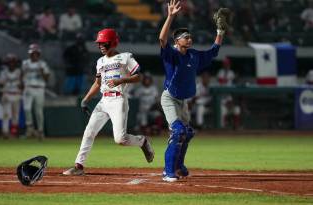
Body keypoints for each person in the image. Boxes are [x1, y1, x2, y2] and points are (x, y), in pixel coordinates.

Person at [62, 28, 155, 176]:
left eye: (103, 42)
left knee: (120, 139)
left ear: (113, 42)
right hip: (104, 100)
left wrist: (121, 80)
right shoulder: (100, 61)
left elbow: (139, 77)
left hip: (118, 99)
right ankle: (79, 166)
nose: (100, 45)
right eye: (99, 43)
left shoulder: (125, 57)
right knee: (89, 132)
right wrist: (86, 99)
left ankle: (142, 141)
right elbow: (97, 83)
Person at [158, 0, 228, 182]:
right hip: (170, 98)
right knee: (178, 131)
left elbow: (214, 51)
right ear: (177, 41)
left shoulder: (193, 55)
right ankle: (168, 172)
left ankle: (179, 166)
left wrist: (220, 32)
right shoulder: (171, 55)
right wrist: (170, 17)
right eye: (185, 37)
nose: (189, 38)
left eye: (190, 36)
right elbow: (162, 39)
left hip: (184, 101)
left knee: (187, 133)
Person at [21, 44, 51, 140]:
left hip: (39, 88)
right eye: (32, 53)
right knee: (27, 109)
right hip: (28, 87)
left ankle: (40, 131)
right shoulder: (25, 63)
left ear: (38, 54)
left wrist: (42, 71)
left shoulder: (42, 64)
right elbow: (21, 75)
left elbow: (46, 78)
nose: (34, 55)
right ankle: (29, 128)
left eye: (36, 53)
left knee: (38, 111)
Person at [0, 53, 22, 139]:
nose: (11, 63)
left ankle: (14, 133)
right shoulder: (3, 72)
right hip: (6, 94)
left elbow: (23, 85)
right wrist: (0, 95)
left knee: (15, 115)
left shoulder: (19, 72)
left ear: (15, 63)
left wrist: (21, 86)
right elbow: (0, 85)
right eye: (9, 62)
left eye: (13, 61)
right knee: (6, 114)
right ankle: (5, 132)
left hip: (16, 94)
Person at [217, 57, 241, 129]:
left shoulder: (231, 72)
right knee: (222, 110)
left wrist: (231, 103)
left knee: (237, 109)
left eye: (227, 64)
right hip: (222, 98)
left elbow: (233, 84)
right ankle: (222, 127)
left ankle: (236, 127)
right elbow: (221, 82)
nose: (226, 65)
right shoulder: (220, 72)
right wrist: (227, 79)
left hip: (229, 97)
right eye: (225, 64)